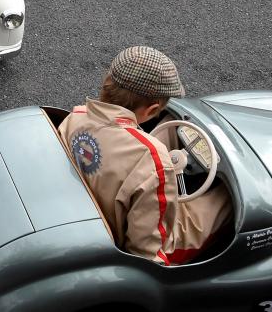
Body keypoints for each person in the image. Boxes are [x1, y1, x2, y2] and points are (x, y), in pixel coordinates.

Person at [57, 46, 232, 266]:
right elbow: (146, 251)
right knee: (226, 198)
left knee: (168, 125)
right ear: (151, 110)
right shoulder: (154, 160)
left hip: (91, 204)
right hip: (134, 240)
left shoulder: (76, 117)